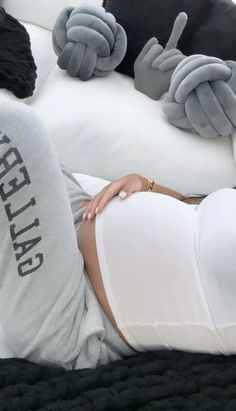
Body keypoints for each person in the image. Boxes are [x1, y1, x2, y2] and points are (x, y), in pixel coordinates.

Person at [0, 98, 234, 372]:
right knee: (38, 152)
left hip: (78, 318)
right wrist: (145, 183)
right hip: (80, 218)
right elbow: (190, 206)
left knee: (14, 130)